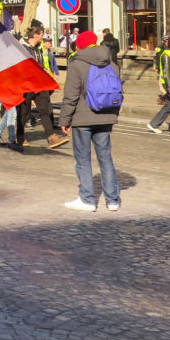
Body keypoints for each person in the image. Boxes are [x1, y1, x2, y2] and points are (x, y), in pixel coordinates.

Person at [58, 30, 121, 211]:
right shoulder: (111, 63)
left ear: (80, 45)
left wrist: (65, 120)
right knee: (106, 158)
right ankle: (113, 200)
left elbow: (71, 96)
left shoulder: (77, 63)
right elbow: (116, 90)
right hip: (106, 116)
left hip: (82, 118)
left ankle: (87, 199)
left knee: (83, 159)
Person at [20, 26, 68, 149]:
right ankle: (19, 137)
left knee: (45, 109)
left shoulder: (39, 49)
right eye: (41, 35)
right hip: (26, 84)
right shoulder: (22, 47)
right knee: (24, 111)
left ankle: (51, 137)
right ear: (36, 35)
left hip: (40, 83)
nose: (42, 37)